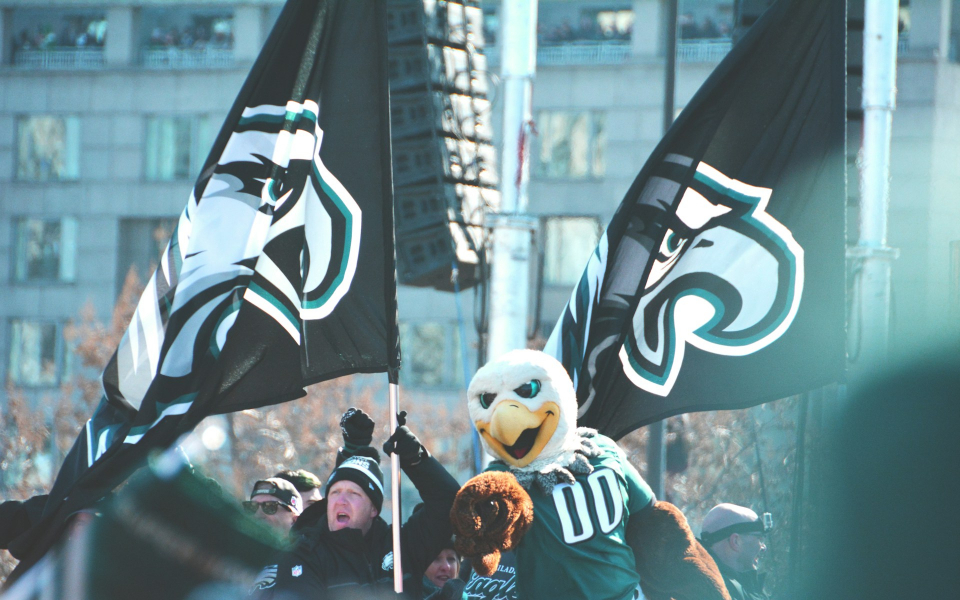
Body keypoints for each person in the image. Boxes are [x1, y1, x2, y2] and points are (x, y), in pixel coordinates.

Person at [253, 408, 461, 599]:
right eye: (335, 492)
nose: (341, 501)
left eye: (353, 494)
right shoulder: (304, 554)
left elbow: (450, 503)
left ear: (373, 509)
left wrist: (417, 459)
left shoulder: (401, 545)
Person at [699, 503, 771, 600]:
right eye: (759, 538)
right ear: (736, 541)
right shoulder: (714, 592)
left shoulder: (704, 584)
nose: (763, 547)